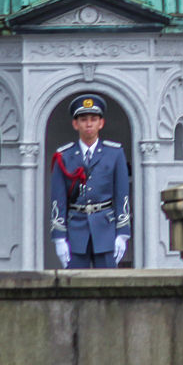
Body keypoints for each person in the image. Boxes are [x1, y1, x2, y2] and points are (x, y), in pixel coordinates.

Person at [47, 93, 132, 268]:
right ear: (75, 124)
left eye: (93, 119)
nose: (88, 124)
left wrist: (122, 234)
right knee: (75, 288)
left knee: (108, 287)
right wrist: (59, 237)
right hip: (75, 230)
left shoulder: (114, 154)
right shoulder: (64, 156)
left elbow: (122, 194)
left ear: (101, 123)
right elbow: (58, 199)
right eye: (83, 119)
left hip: (106, 229)